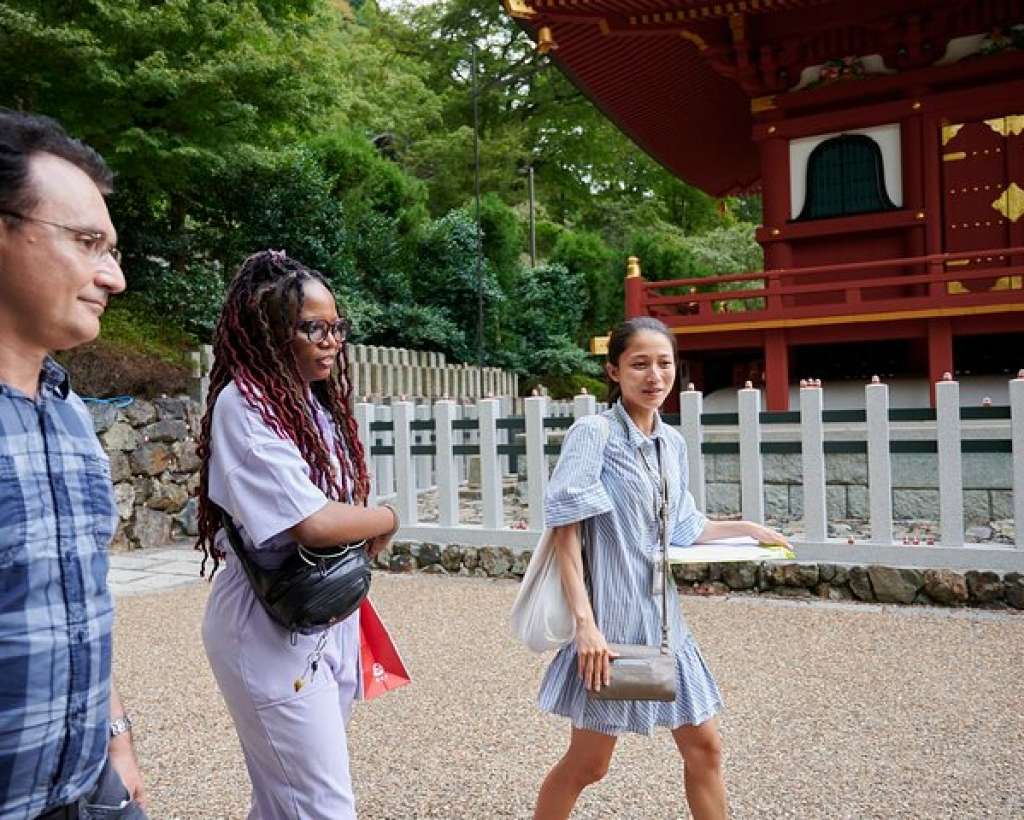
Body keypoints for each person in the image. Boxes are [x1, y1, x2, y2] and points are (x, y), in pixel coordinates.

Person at [532, 317, 788, 820]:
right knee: (589, 765)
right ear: (614, 370)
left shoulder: (671, 443)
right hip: (610, 628)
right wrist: (585, 626)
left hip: (667, 625)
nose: (654, 375)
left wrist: (749, 529)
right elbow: (565, 529)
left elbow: (684, 527)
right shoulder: (595, 434)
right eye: (640, 364)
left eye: (664, 363)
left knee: (705, 749)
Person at [195, 249, 401, 820]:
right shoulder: (245, 405)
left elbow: (335, 510)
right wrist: (387, 519)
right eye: (315, 327)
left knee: (286, 801)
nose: (333, 339)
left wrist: (355, 520)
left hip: (322, 612)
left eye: (338, 326)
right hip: (267, 621)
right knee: (321, 806)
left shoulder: (313, 405)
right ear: (270, 330)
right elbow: (311, 520)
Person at [0, 109, 147, 818]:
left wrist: (116, 741)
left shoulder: (68, 412)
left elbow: (77, 596)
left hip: (88, 794)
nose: (112, 277)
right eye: (88, 242)